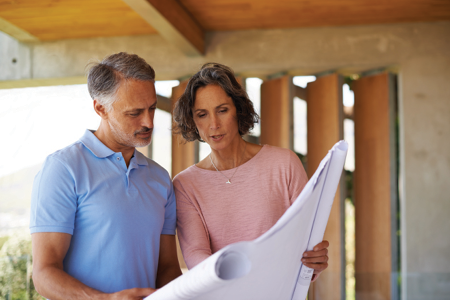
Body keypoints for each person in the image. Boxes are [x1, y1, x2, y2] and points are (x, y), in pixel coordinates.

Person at [30, 52, 182, 300]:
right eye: (134, 113)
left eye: (152, 108)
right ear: (100, 108)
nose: (148, 122)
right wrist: (104, 299)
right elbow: (44, 273)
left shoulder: (160, 178)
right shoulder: (63, 168)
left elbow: (167, 269)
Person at [172, 63, 329, 281]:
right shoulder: (185, 185)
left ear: (238, 109)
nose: (214, 124)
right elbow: (196, 256)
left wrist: (315, 260)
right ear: (193, 121)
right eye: (202, 114)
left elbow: (306, 240)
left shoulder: (284, 164)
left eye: (222, 110)